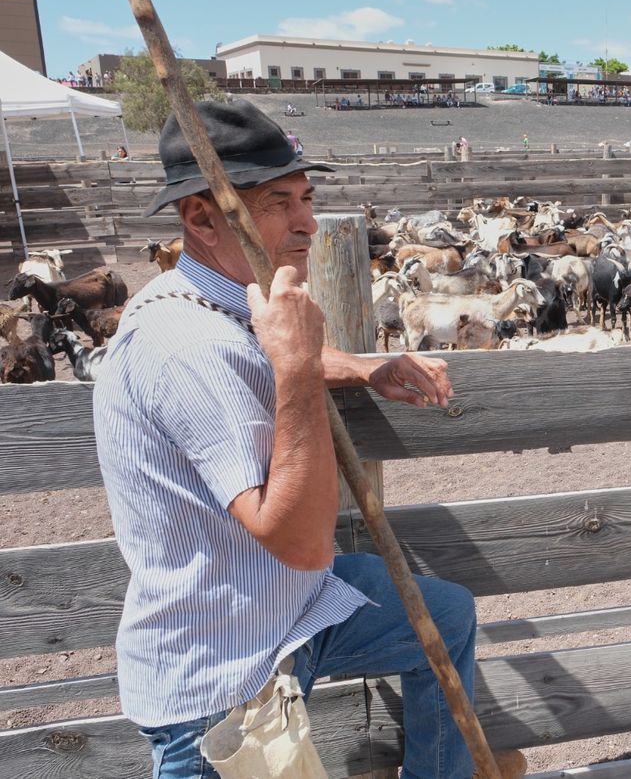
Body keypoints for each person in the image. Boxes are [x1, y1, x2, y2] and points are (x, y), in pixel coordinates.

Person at [93, 100, 523, 779]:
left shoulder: (216, 303)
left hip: (284, 614)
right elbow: (300, 543)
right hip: (224, 683)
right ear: (200, 217)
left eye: (306, 198)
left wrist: (362, 367)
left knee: (445, 614)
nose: (307, 223)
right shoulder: (186, 347)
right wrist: (296, 366)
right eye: (277, 203)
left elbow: (254, 355)